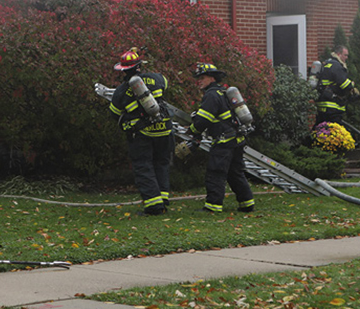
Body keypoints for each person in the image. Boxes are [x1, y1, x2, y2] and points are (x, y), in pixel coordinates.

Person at [109, 47, 173, 215]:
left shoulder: (122, 90)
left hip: (142, 134)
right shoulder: (157, 79)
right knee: (162, 163)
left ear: (123, 70)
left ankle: (153, 205)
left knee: (143, 166)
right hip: (164, 130)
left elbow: (114, 113)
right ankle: (163, 199)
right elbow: (166, 84)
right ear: (139, 66)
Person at [188, 63, 254, 214]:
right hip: (236, 140)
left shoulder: (211, 95)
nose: (199, 81)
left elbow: (203, 120)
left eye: (202, 78)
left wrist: (192, 129)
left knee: (215, 172)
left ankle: (213, 206)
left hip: (224, 141)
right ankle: (247, 203)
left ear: (212, 78)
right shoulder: (223, 92)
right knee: (235, 173)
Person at [316, 45, 355, 125]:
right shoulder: (337, 66)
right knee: (334, 130)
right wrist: (352, 85)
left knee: (320, 128)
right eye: (345, 55)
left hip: (321, 105)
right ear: (339, 54)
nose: (346, 58)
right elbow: (345, 85)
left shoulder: (326, 63)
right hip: (333, 107)